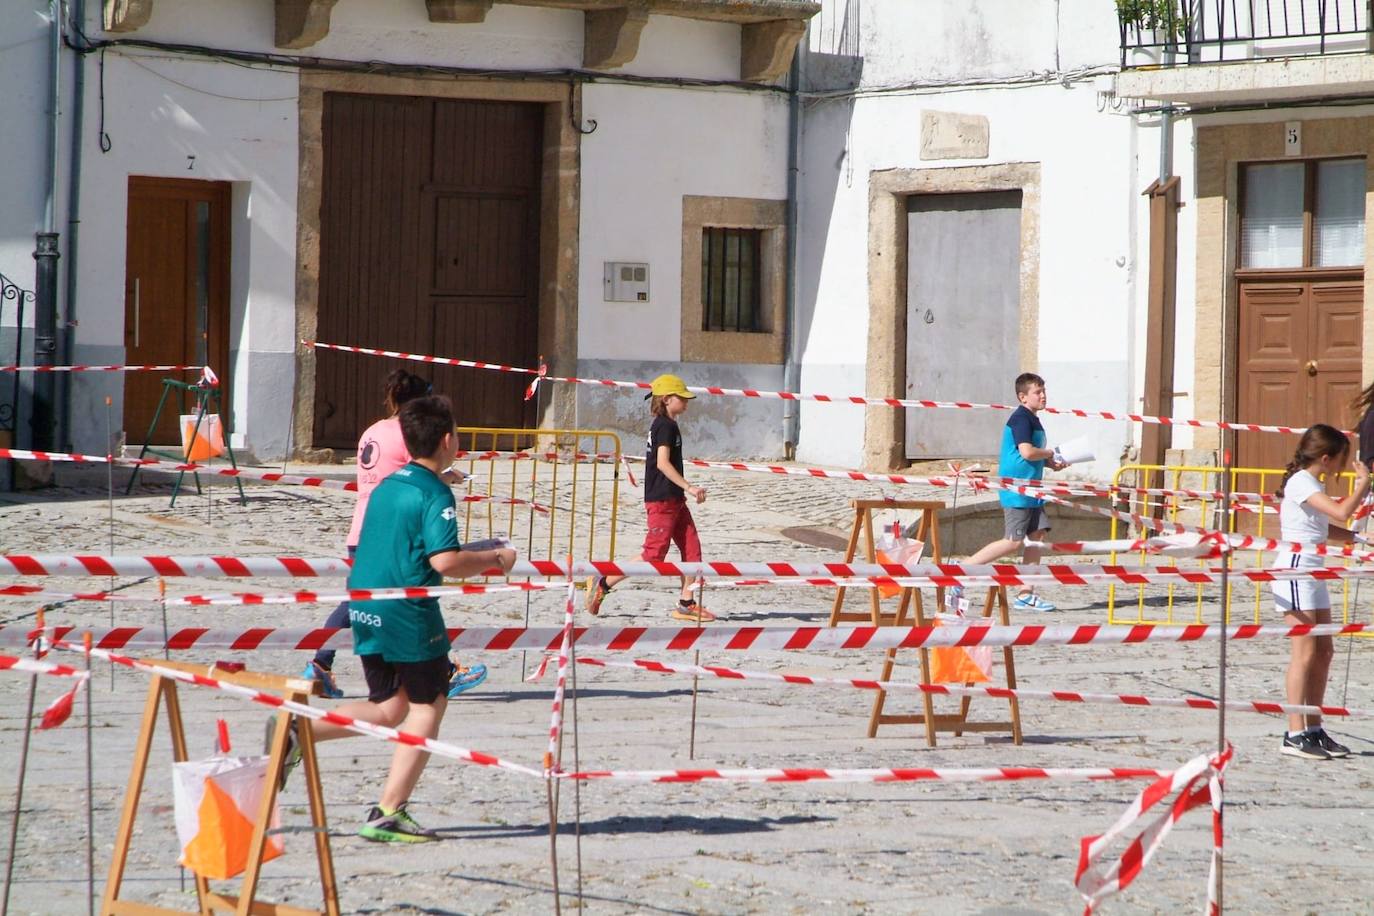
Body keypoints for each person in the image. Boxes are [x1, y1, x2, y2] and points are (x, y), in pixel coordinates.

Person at [272, 395, 517, 842]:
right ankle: (389, 810)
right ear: (448, 441)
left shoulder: (387, 484)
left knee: (389, 707)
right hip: (407, 611)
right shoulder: (434, 492)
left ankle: (298, 730)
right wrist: (495, 558)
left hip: (364, 602)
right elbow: (444, 561)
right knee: (430, 704)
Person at [303, 369, 487, 700]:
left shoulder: (372, 430)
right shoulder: (407, 433)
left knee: (368, 601)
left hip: (363, 523)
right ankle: (321, 661)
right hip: (394, 530)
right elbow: (417, 476)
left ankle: (322, 663)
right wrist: (450, 478)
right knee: (408, 599)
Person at [1271, 423, 1368, 760]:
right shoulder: (1301, 481)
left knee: (1324, 651)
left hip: (1314, 570)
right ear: (1326, 458)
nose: (1343, 466)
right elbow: (1341, 511)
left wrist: (1357, 539)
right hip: (1296, 571)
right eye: (1341, 459)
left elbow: (1322, 526)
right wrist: (1363, 486)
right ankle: (1295, 731)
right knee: (1305, 653)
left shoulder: (1312, 484)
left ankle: (1313, 727)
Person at [585, 373, 712, 622]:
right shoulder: (665, 425)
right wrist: (690, 487)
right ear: (666, 399)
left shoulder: (667, 424)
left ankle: (687, 603)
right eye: (682, 398)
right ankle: (603, 583)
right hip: (662, 500)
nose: (687, 402)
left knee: (692, 551)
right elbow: (663, 464)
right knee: (653, 555)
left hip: (675, 501)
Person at [949, 372, 1066, 612]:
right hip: (1017, 490)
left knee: (1037, 535)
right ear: (1023, 397)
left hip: (1032, 489)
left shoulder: (1033, 418)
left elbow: (1029, 456)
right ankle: (961, 571)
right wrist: (1051, 453)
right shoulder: (1021, 418)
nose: (1043, 396)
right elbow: (1026, 452)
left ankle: (1026, 593)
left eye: (1044, 391)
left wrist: (1050, 463)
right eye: (1038, 392)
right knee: (1012, 541)